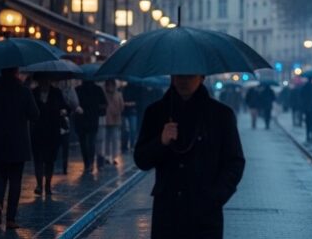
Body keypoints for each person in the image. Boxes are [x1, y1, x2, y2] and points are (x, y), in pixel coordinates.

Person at [135, 74, 245, 238]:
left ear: (201, 77)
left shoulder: (220, 115)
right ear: (172, 77)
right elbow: (141, 160)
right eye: (179, 75)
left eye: (190, 75)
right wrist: (161, 141)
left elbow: (234, 162)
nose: (183, 80)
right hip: (168, 214)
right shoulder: (156, 112)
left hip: (205, 216)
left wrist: (214, 197)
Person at [0, 67, 39, 229]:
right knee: (15, 180)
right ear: (16, 73)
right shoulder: (24, 92)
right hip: (18, 142)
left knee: (0, 176)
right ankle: (11, 219)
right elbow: (35, 114)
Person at [30, 76, 68, 196]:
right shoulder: (33, 93)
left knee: (50, 160)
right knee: (38, 159)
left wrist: (64, 111)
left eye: (46, 80)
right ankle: (39, 185)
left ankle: (47, 184)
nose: (44, 83)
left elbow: (65, 107)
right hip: (37, 131)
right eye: (42, 80)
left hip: (53, 131)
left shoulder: (56, 92)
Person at [75, 77, 107, 175]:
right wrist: (99, 111)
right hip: (93, 119)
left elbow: (74, 104)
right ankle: (90, 163)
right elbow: (104, 103)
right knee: (91, 142)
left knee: (83, 143)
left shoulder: (78, 89)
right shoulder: (97, 89)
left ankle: (87, 163)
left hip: (81, 119)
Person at [56, 79, 81, 174]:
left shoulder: (70, 90)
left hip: (65, 121)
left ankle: (64, 166)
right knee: (59, 145)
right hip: (56, 121)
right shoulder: (56, 91)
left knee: (64, 144)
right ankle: (60, 164)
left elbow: (74, 104)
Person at [101, 80, 125, 166]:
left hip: (115, 119)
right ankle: (107, 156)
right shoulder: (104, 94)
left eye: (112, 86)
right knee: (107, 139)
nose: (110, 87)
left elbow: (122, 106)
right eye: (109, 86)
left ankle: (114, 157)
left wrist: (117, 111)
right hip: (106, 120)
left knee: (114, 139)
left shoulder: (118, 94)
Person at [121, 81, 142, 152]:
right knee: (126, 130)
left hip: (132, 111)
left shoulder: (137, 89)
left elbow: (139, 101)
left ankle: (131, 145)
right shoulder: (124, 89)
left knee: (132, 129)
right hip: (125, 112)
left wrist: (132, 103)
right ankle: (125, 146)